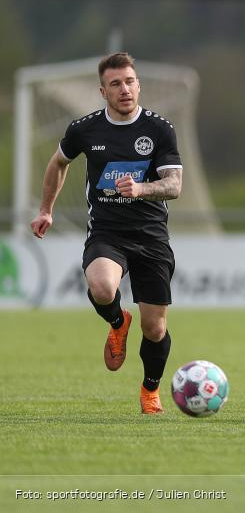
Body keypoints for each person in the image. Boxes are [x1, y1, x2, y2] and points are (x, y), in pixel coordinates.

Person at [30, 52, 183, 414]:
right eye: (116, 84)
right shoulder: (84, 129)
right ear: (103, 91)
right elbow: (58, 163)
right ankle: (117, 321)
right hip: (107, 232)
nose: (125, 89)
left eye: (130, 81)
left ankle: (150, 389)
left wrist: (142, 189)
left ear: (139, 84)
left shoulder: (160, 129)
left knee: (155, 328)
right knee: (101, 286)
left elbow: (174, 185)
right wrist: (46, 210)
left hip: (150, 236)